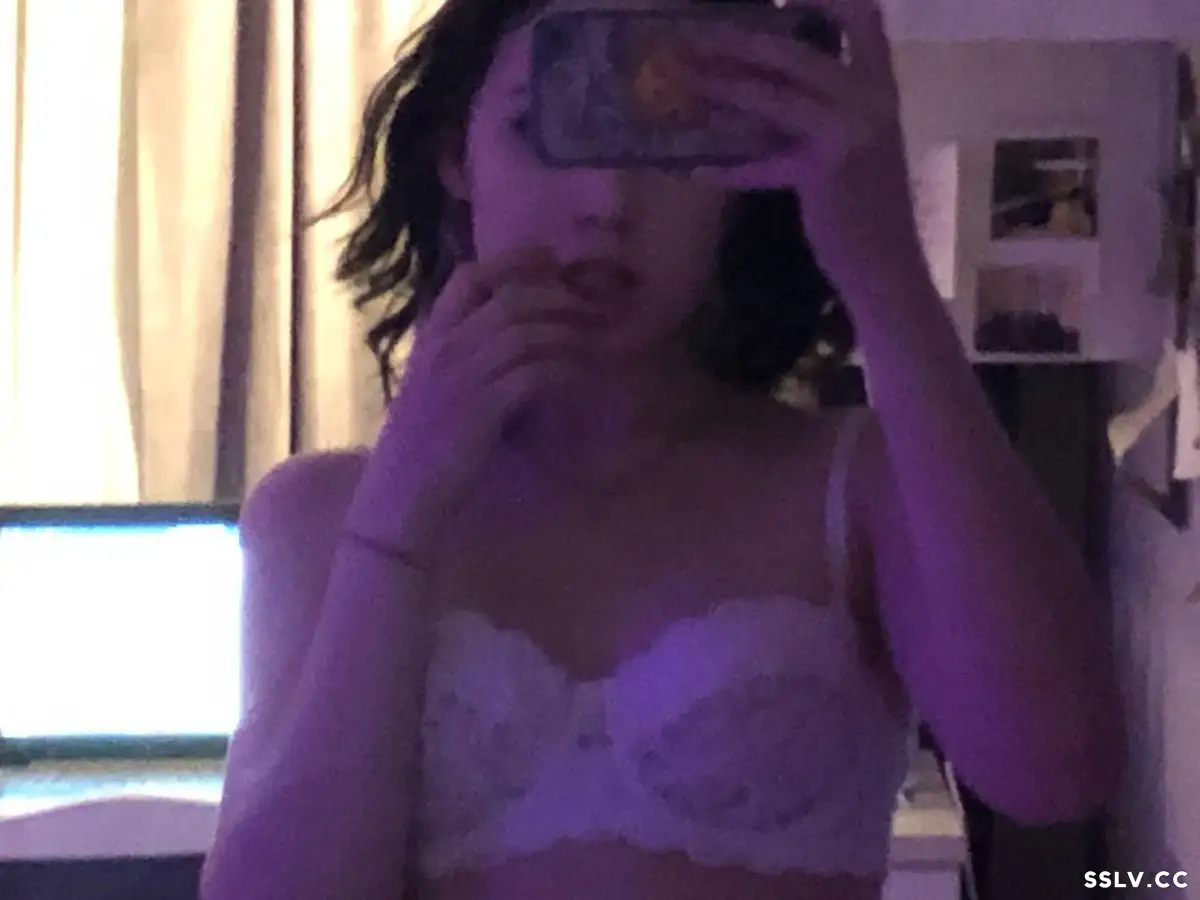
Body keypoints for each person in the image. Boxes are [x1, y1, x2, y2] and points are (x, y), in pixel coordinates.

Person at [199, 0, 1124, 898]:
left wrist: (882, 266)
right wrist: (398, 518)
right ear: (455, 153)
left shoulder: (856, 485)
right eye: (550, 125)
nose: (607, 202)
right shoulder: (321, 515)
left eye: (673, 139)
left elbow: (1055, 775)